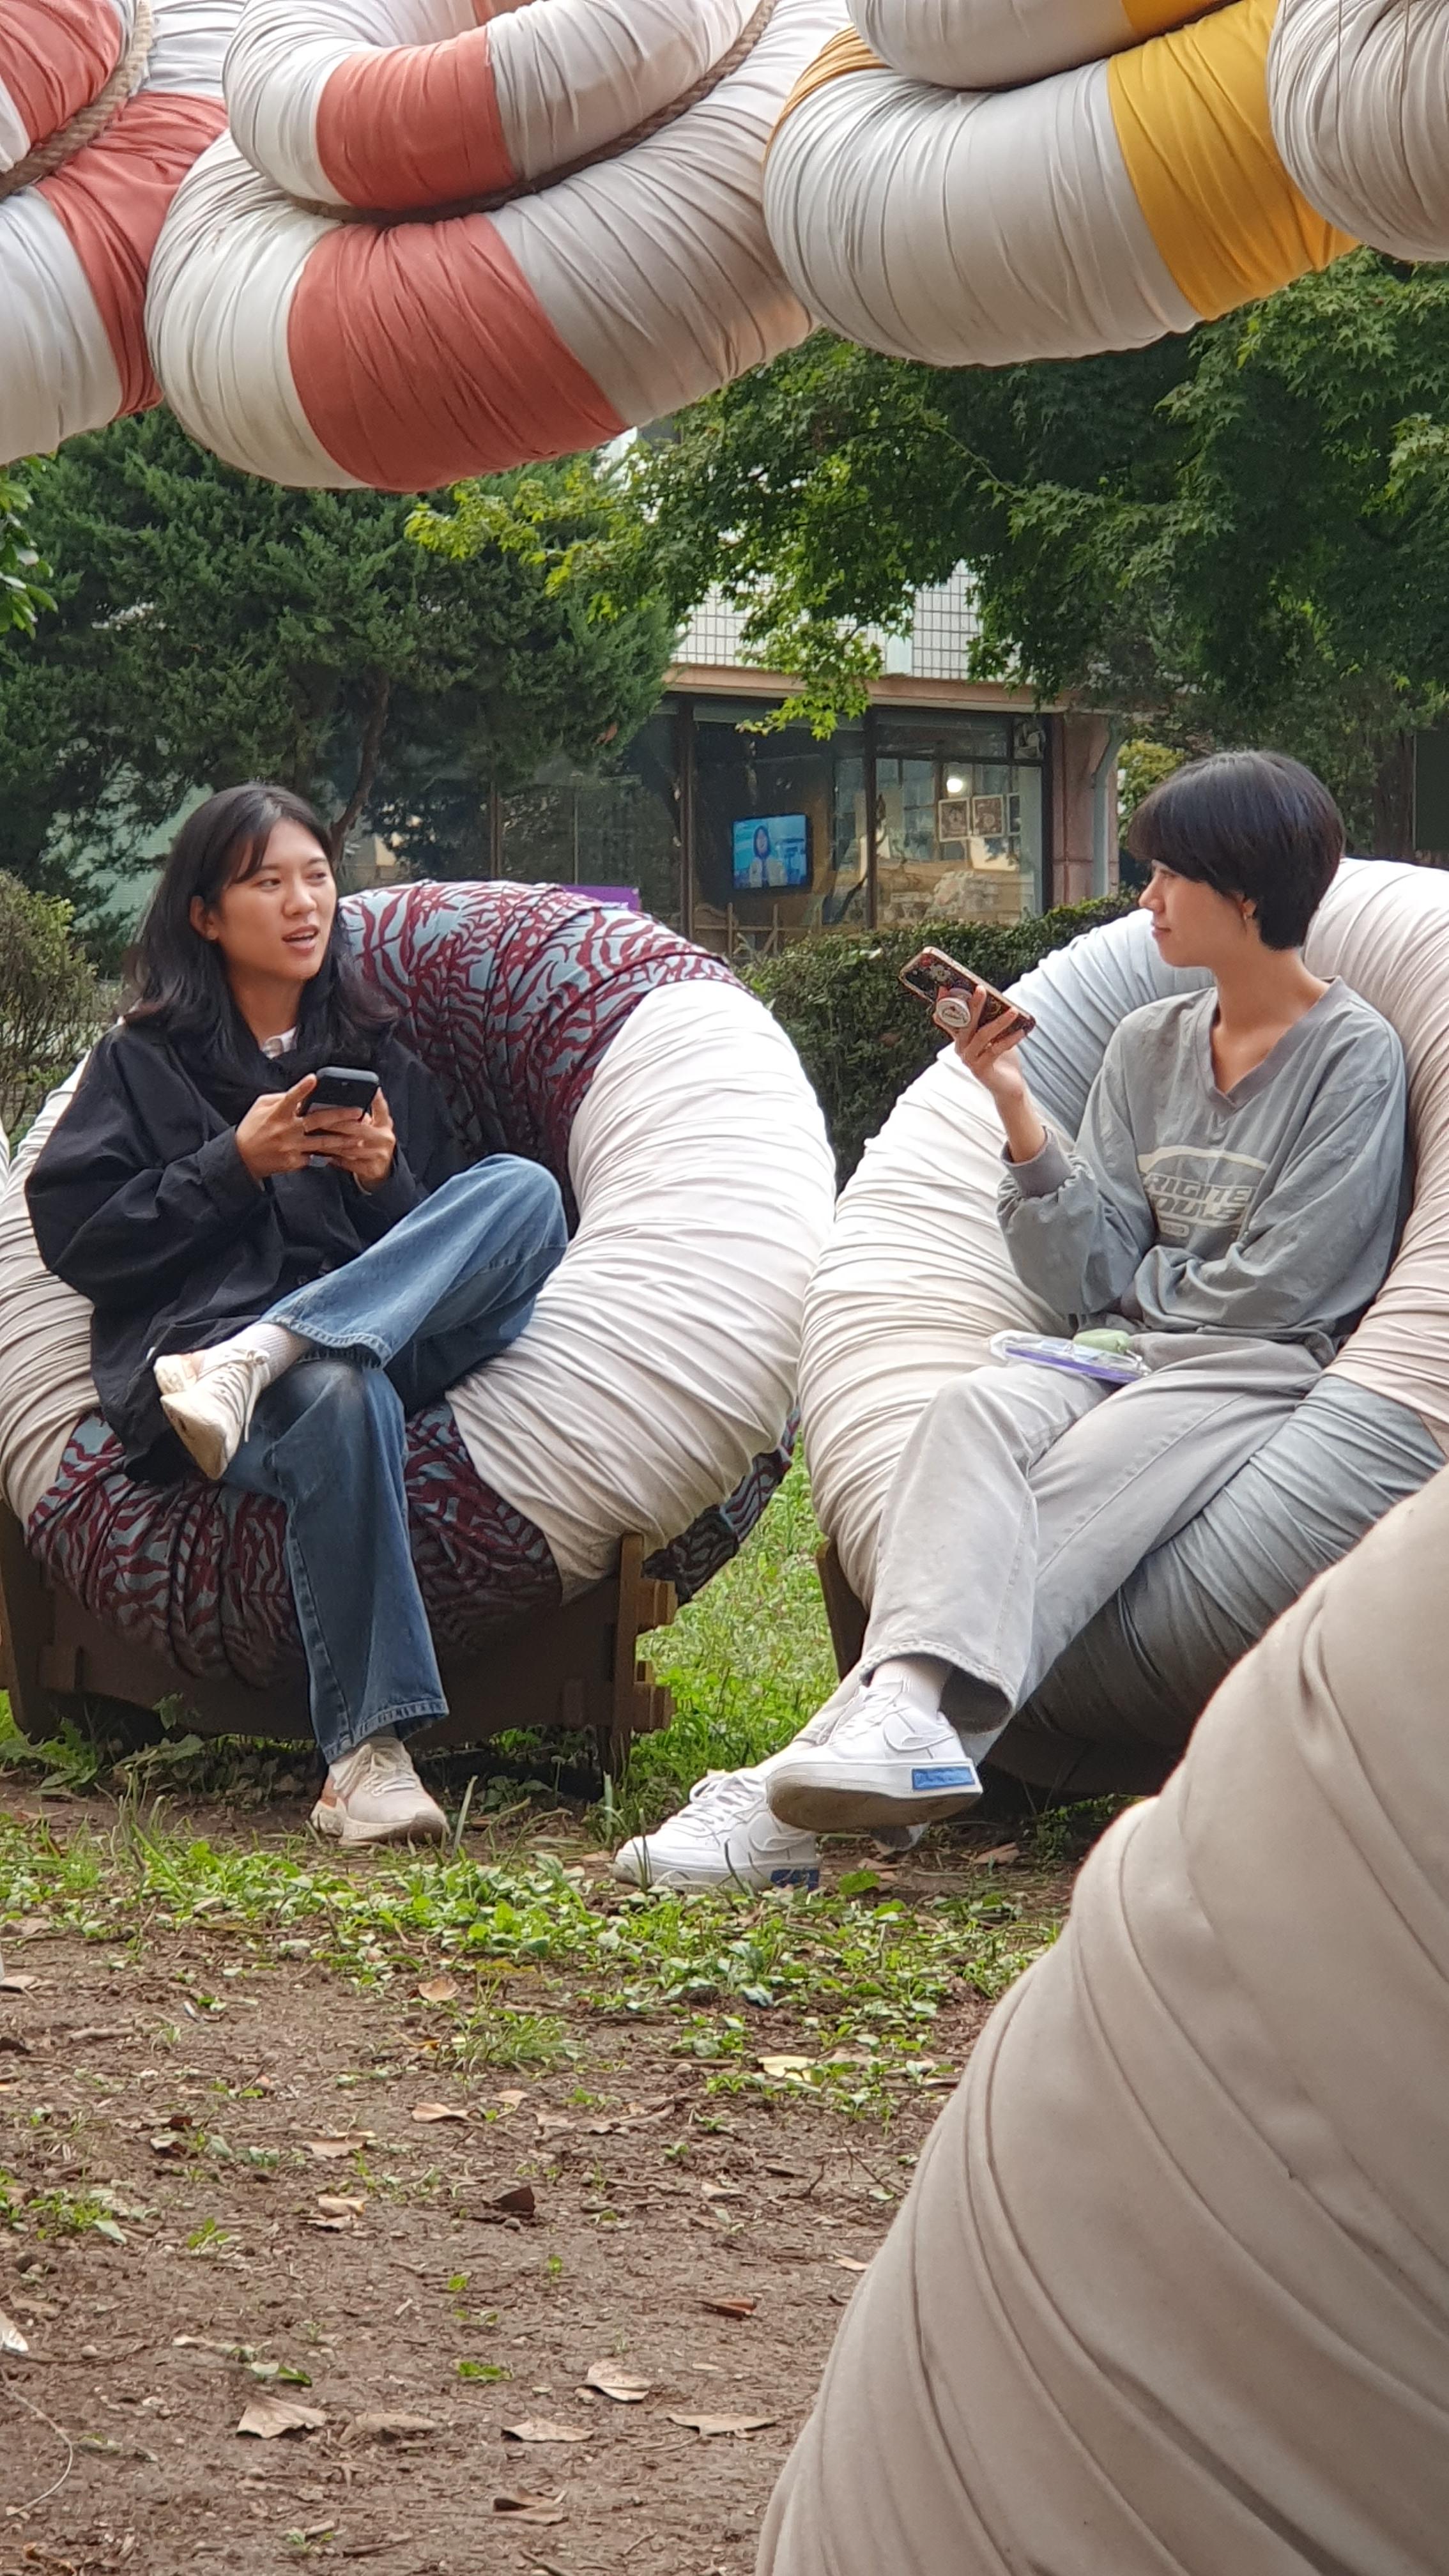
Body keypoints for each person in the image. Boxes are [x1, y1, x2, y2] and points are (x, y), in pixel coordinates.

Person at [614, 749, 1407, 1886]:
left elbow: (1291, 1288)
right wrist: (1017, 1107)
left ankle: (784, 1806)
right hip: (1120, 1351)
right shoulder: (1147, 1045)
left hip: (1249, 1370)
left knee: (1064, 1500)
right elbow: (1092, 1271)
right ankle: (893, 1728)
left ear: (1245, 890)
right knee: (971, 1412)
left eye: (1168, 874)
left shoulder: (1356, 1058)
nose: (1146, 898)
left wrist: (1143, 1302)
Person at [27, 785, 567, 1848]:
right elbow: (81, 1237)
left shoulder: (379, 1053)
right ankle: (366, 1760)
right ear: (205, 914)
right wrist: (233, 1164)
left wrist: (383, 1177)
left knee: (526, 1193)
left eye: (316, 876)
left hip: (361, 1339)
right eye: (267, 882)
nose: (302, 903)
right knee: (342, 1395)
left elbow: (446, 1244)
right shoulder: (140, 1062)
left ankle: (268, 1351)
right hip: (206, 1377)